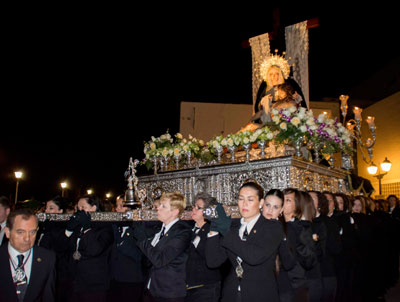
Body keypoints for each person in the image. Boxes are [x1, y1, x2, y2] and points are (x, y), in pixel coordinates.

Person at [206, 181, 284, 302]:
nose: (245, 204)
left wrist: (226, 231)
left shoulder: (272, 227)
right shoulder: (233, 226)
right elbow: (213, 261)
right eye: (241, 199)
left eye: (250, 199)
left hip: (260, 294)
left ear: (261, 203)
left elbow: (254, 257)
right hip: (231, 293)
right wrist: (214, 230)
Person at [134, 192, 192, 302]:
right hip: (151, 289)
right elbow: (147, 260)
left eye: (163, 206)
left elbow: (160, 260)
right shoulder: (160, 229)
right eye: (159, 205)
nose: (158, 208)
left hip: (169, 293)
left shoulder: (183, 232)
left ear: (175, 212)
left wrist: (142, 240)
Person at [63, 194, 114, 302]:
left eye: (83, 207)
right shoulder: (78, 225)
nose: (79, 211)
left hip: (94, 284)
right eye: (78, 208)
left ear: (93, 208)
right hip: (75, 281)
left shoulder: (105, 227)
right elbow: (64, 248)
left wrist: (87, 228)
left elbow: (95, 250)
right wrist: (68, 230)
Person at [0, 207, 56, 302]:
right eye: (20, 232)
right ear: (7, 232)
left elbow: (48, 296)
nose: (27, 238)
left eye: (32, 232)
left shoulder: (47, 258)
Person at [185, 192, 221, 302]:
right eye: (194, 206)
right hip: (190, 285)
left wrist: (195, 239)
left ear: (207, 212)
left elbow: (210, 256)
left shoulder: (212, 230)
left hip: (206, 287)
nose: (194, 210)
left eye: (198, 208)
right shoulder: (189, 228)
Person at [108, 195, 144, 302]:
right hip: (114, 278)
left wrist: (121, 242)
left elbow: (139, 256)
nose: (117, 208)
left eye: (121, 206)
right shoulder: (114, 226)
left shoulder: (137, 228)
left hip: (131, 279)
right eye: (116, 205)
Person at [36, 196, 71, 302]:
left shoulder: (62, 228)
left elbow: (60, 248)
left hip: (58, 274)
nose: (46, 211)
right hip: (41, 271)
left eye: (51, 208)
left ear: (60, 211)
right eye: (46, 208)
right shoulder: (42, 226)